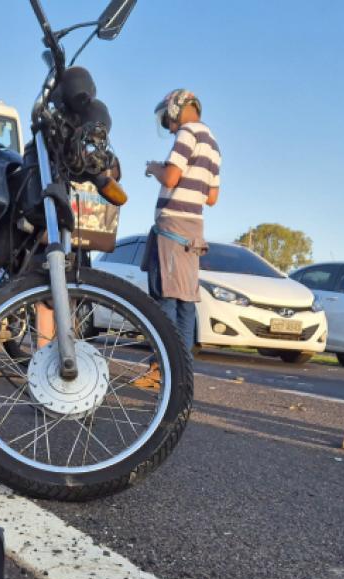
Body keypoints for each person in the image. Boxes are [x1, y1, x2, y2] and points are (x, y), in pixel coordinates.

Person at [133, 89, 221, 390]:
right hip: (194, 229)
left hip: (172, 226)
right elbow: (212, 197)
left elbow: (170, 177)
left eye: (167, 117)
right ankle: (182, 373)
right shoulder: (213, 143)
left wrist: (153, 167)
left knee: (165, 300)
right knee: (185, 302)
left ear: (176, 107)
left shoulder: (186, 134)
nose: (168, 124)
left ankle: (161, 370)